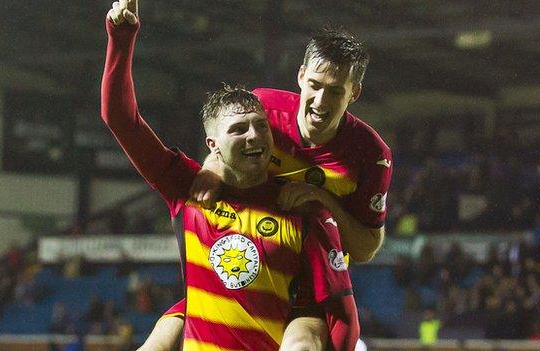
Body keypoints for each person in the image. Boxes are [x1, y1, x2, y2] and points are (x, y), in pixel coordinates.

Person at [102, 2, 355, 349]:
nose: (254, 136)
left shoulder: (302, 207)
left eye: (260, 126)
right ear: (213, 145)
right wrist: (122, 37)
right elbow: (120, 118)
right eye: (238, 129)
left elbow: (335, 310)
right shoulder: (186, 186)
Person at [156, 15, 392, 351]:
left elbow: (366, 248)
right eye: (315, 84)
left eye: (336, 91)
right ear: (300, 76)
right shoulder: (263, 108)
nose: (321, 101)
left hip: (307, 286)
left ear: (354, 93)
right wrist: (210, 168)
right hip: (241, 275)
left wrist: (321, 200)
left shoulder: (371, 154)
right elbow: (223, 145)